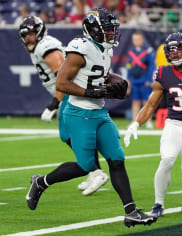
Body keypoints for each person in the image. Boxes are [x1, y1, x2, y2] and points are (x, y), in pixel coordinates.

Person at [26, 8, 156, 227]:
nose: (112, 34)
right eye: (107, 29)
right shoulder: (80, 48)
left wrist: (116, 80)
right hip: (79, 113)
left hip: (100, 112)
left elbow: (100, 75)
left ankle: (131, 211)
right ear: (94, 30)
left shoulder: (105, 49)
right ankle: (41, 182)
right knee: (85, 166)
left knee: (117, 159)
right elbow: (61, 83)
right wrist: (90, 92)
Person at [124, 32, 182, 217]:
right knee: (166, 160)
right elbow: (151, 103)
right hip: (173, 124)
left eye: (178, 50)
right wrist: (136, 123)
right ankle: (158, 204)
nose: (174, 54)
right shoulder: (163, 73)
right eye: (171, 51)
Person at [18, 16, 109, 196]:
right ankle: (94, 171)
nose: (28, 38)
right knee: (73, 135)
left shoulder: (46, 47)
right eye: (25, 35)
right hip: (69, 93)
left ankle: (95, 171)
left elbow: (63, 77)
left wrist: (53, 104)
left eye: (31, 33)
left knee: (69, 134)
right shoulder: (39, 47)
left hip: (70, 92)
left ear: (40, 32)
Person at [126, 31, 155, 128]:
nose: (136, 41)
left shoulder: (148, 50)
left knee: (146, 102)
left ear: (142, 40)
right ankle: (135, 121)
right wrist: (128, 79)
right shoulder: (130, 51)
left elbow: (151, 66)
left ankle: (148, 121)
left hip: (144, 81)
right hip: (134, 80)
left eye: (138, 39)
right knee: (135, 102)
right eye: (134, 39)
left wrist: (149, 80)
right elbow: (128, 66)